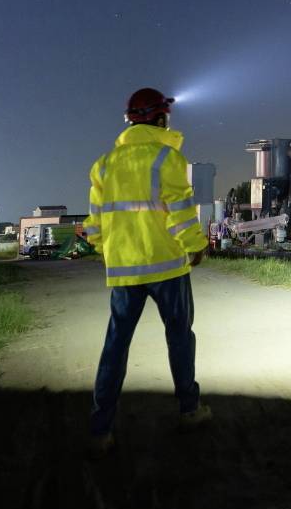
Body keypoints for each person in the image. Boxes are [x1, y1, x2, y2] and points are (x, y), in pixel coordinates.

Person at [83, 87, 211, 456]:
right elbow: (181, 210)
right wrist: (194, 246)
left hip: (125, 272)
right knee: (179, 337)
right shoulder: (166, 157)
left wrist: (110, 251)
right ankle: (189, 410)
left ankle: (100, 429)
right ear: (159, 118)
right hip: (168, 268)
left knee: (115, 346)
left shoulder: (103, 164)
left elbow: (95, 225)